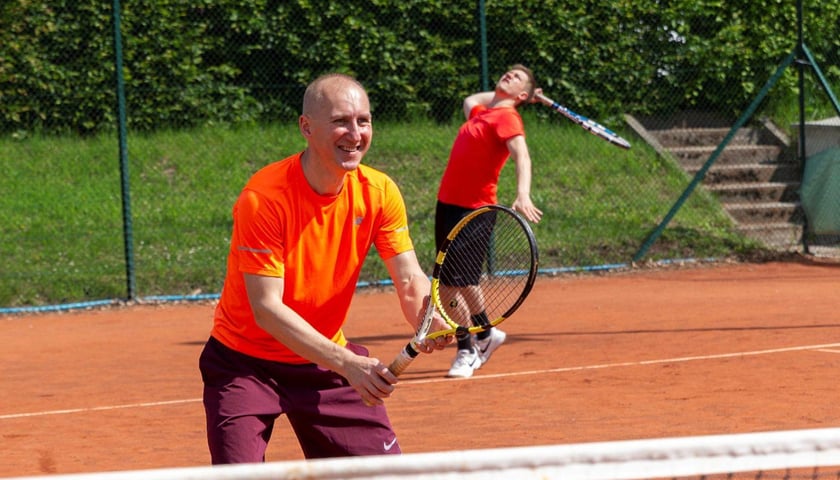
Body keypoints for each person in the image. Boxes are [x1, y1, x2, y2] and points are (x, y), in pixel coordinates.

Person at [199, 73, 451, 463]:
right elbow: (267, 309)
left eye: (363, 121)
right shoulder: (264, 198)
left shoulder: (379, 191)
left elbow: (408, 276)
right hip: (244, 364)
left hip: (323, 362)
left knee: (386, 474)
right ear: (306, 127)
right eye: (340, 121)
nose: (355, 133)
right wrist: (348, 362)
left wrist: (426, 314)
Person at [436, 64, 543, 379]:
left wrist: (523, 193)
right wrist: (521, 94)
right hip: (448, 205)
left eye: (518, 77)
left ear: (521, 94)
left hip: (475, 210)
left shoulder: (508, 118)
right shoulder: (482, 112)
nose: (509, 74)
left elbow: (522, 155)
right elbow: (470, 98)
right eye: (508, 72)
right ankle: (486, 335)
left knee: (449, 283)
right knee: (465, 279)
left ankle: (466, 349)